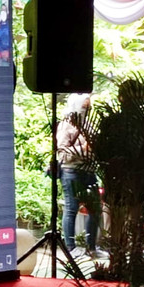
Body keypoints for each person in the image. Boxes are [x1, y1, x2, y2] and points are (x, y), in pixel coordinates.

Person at [58, 93, 100, 257]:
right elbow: (62, 153)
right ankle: (70, 247)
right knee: (71, 208)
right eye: (84, 107)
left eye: (89, 107)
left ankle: (91, 246)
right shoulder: (66, 125)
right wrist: (83, 149)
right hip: (71, 171)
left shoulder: (88, 124)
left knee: (94, 208)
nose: (87, 110)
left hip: (89, 170)